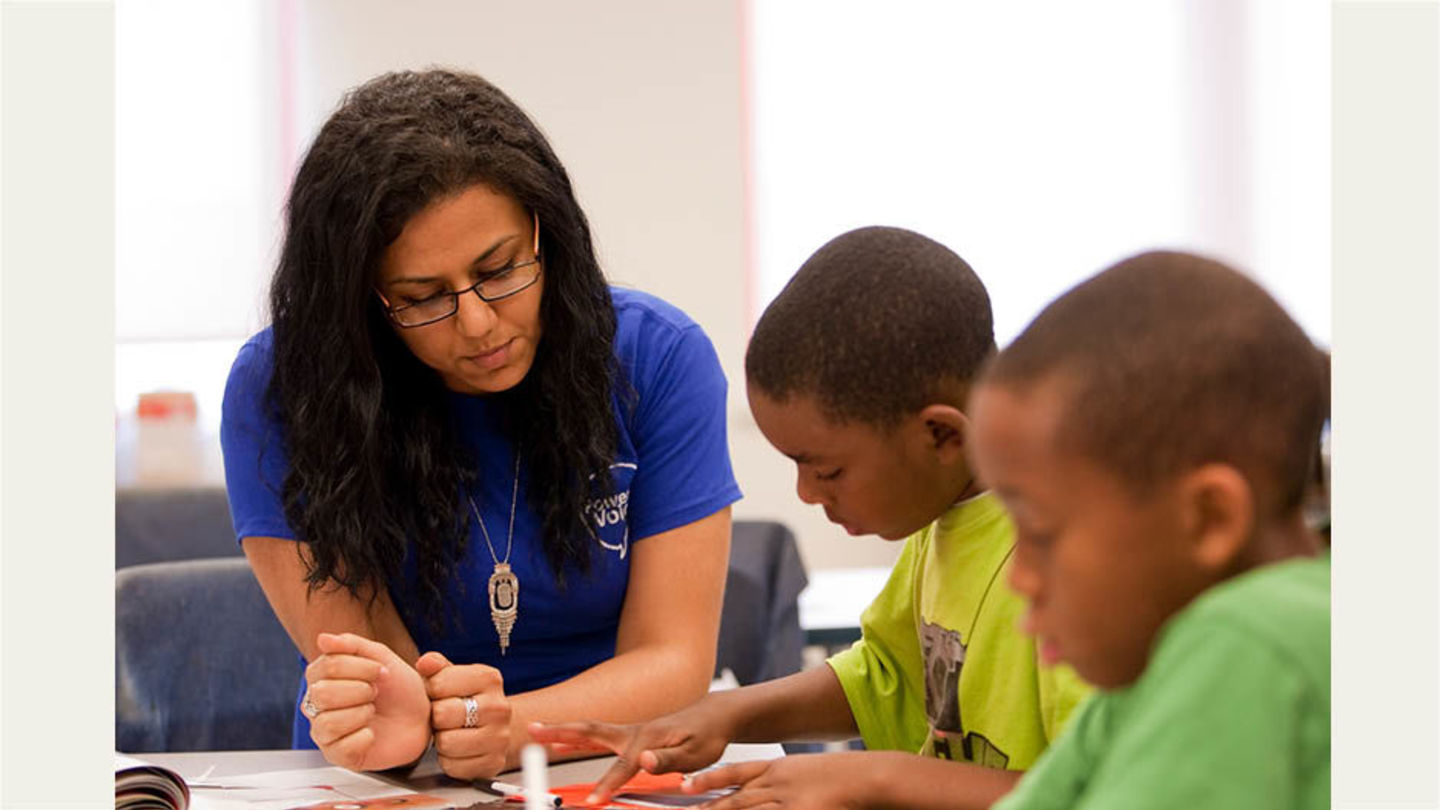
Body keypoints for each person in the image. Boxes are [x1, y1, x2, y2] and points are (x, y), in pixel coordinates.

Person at [219, 68, 741, 779]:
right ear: (362, 301)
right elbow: (379, 686)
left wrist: (514, 729)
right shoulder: (285, 389)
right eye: (422, 297)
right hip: (387, 771)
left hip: (594, 760)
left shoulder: (658, 358)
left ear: (542, 231)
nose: (478, 323)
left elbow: (673, 660)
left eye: (498, 271)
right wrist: (426, 734)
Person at [532, 226, 1091, 809]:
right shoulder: (947, 512)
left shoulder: (1080, 559)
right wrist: (725, 714)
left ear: (941, 434)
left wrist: (874, 779)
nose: (805, 494)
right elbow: (884, 677)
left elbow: (1103, 789)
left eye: (826, 471)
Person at [969, 251, 1330, 808]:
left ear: (1209, 519)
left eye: (1039, 534)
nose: (1019, 579)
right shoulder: (1145, 675)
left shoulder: (1252, 639)